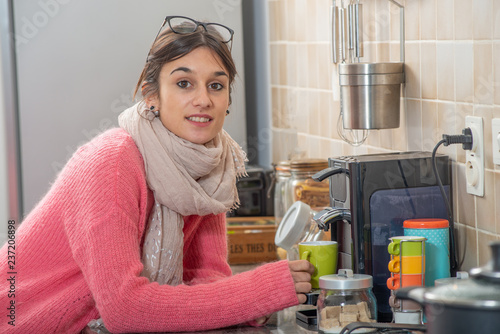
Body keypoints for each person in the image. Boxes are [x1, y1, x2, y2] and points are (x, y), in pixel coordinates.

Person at [0, 16, 314, 333]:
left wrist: (265, 296)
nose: (203, 100)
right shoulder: (111, 162)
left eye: (216, 86)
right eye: (183, 83)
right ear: (152, 96)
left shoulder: (208, 170)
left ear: (227, 100)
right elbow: (124, 310)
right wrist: (261, 289)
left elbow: (208, 281)